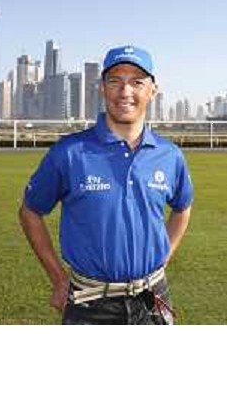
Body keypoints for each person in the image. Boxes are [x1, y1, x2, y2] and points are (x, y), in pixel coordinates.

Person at [18, 45, 193, 324]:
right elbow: (30, 211)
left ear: (152, 90)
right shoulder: (70, 152)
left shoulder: (170, 155)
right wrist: (58, 278)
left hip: (153, 300)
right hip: (90, 303)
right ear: (102, 89)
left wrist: (163, 257)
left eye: (137, 82)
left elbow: (183, 207)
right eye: (115, 81)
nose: (125, 91)